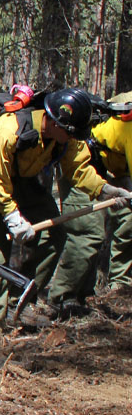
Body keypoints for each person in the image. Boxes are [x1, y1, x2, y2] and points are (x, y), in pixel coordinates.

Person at [0, 88, 132, 328]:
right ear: (55, 123)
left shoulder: (67, 138)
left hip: (24, 182)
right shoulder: (10, 129)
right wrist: (11, 215)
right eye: (70, 133)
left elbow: (78, 169)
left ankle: (19, 302)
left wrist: (104, 189)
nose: (73, 138)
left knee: (53, 234)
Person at [47, 91, 132, 312]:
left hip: (106, 168)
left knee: (114, 225)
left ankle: (83, 295)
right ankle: (60, 299)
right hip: (80, 165)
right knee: (87, 232)